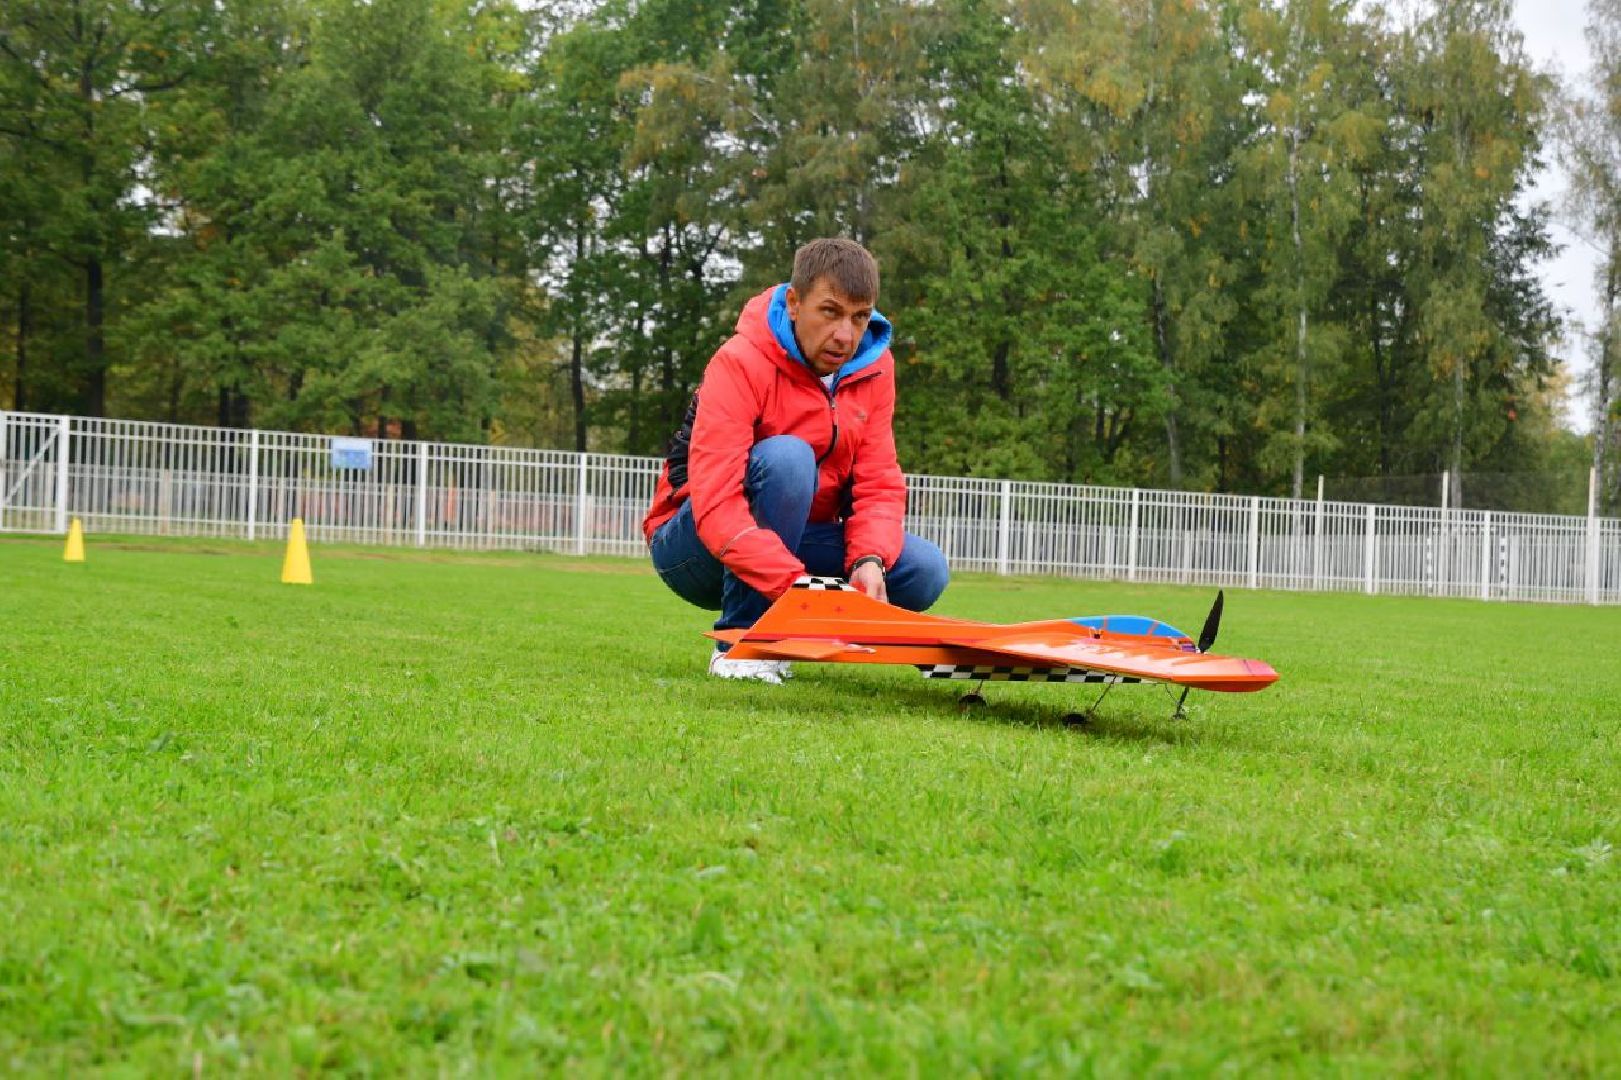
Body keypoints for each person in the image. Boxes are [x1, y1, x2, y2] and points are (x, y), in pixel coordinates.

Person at [643, 238, 950, 683]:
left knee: (924, 570)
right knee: (787, 459)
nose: (845, 335)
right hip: (692, 546)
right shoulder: (739, 362)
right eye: (830, 311)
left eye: (859, 317)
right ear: (793, 303)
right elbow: (715, 506)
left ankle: (802, 623)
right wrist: (799, 587)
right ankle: (742, 646)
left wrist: (868, 560)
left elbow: (879, 482)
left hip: (794, 543)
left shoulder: (877, 370)